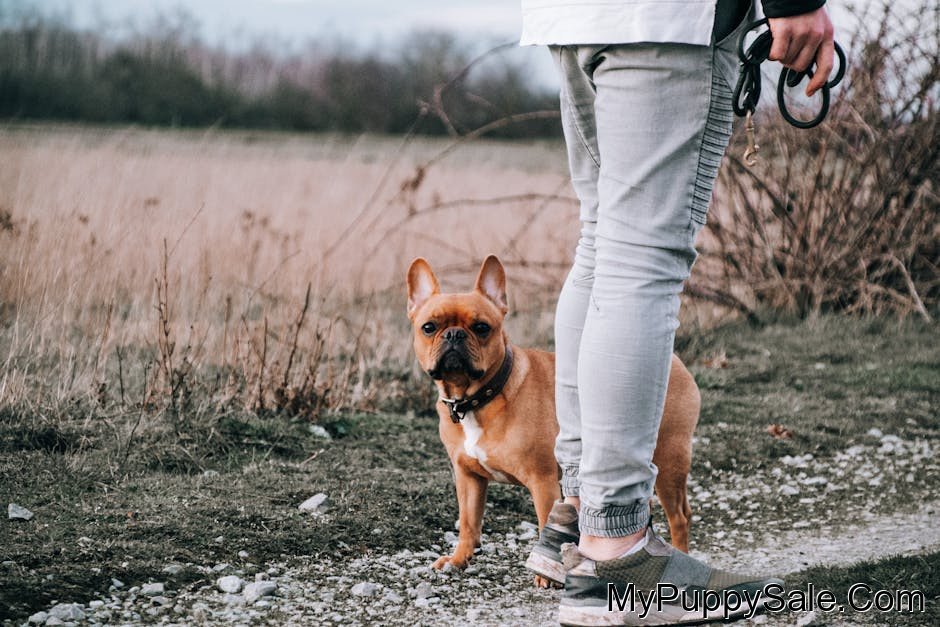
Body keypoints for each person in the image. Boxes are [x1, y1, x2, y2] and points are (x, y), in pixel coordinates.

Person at [520, 0, 835, 623]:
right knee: (641, 256)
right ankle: (616, 554)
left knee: (603, 240)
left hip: (573, 15)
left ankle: (578, 514)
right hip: (669, 20)